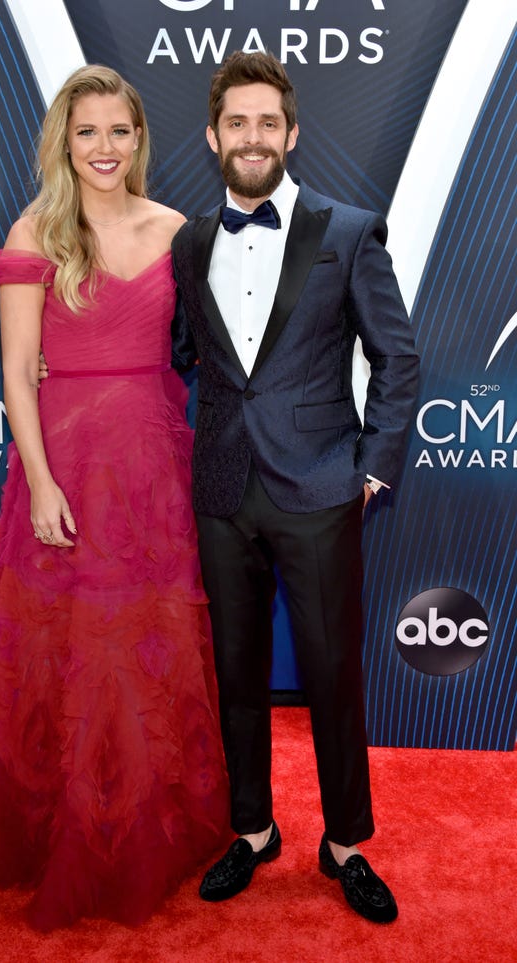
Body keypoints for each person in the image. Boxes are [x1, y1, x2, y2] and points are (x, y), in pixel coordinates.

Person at [0, 64, 229, 931]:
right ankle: (57, 831)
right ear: (64, 141)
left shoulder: (179, 229)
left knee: (148, 646)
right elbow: (15, 379)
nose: (105, 148)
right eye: (88, 132)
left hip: (156, 461)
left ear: (141, 139)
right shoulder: (37, 232)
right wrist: (37, 482)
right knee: (68, 649)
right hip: (65, 460)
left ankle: (151, 823)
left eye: (121, 131)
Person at [170, 51, 420, 923]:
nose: (251, 136)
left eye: (266, 122)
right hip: (224, 489)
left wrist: (372, 470)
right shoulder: (190, 241)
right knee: (234, 670)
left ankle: (346, 841)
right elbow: (181, 352)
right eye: (235, 122)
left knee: (332, 672)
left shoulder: (348, 230)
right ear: (212, 136)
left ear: (292, 133)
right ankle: (252, 829)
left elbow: (397, 357)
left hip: (321, 488)